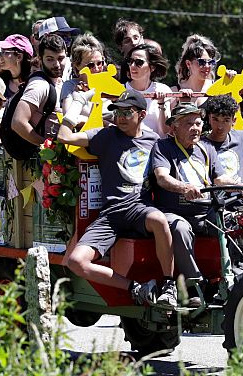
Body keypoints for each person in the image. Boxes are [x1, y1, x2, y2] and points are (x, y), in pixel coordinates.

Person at [59, 89, 177, 308]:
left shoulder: (154, 141)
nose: (120, 118)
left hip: (139, 208)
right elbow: (64, 137)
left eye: (127, 112)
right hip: (111, 214)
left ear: (142, 115)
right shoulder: (107, 136)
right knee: (76, 262)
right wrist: (77, 103)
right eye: (117, 112)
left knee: (160, 220)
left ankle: (169, 286)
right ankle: (136, 288)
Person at [149, 103, 243, 307]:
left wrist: (240, 186)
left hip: (205, 212)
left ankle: (234, 281)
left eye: (198, 123)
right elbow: (162, 177)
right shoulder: (163, 147)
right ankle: (196, 285)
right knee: (180, 228)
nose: (195, 128)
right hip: (173, 211)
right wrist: (183, 188)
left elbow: (220, 179)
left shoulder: (207, 148)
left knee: (234, 226)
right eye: (189, 123)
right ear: (173, 128)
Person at [11, 34, 66, 145]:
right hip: (41, 159)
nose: (57, 64)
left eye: (60, 58)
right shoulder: (38, 85)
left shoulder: (60, 82)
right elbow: (18, 123)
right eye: (50, 59)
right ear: (40, 59)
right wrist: (47, 147)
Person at [123, 44, 172, 137]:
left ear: (152, 67)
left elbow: (166, 131)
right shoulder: (120, 90)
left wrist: (161, 103)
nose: (132, 66)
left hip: (155, 147)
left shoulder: (163, 89)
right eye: (130, 61)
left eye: (139, 62)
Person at [172, 34, 221, 108]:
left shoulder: (218, 89)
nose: (207, 66)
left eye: (211, 62)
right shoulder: (174, 92)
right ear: (188, 64)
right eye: (201, 62)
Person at [0, 34, 34, 99]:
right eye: (1, 52)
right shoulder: (1, 83)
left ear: (19, 57)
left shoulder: (33, 83)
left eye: (5, 52)